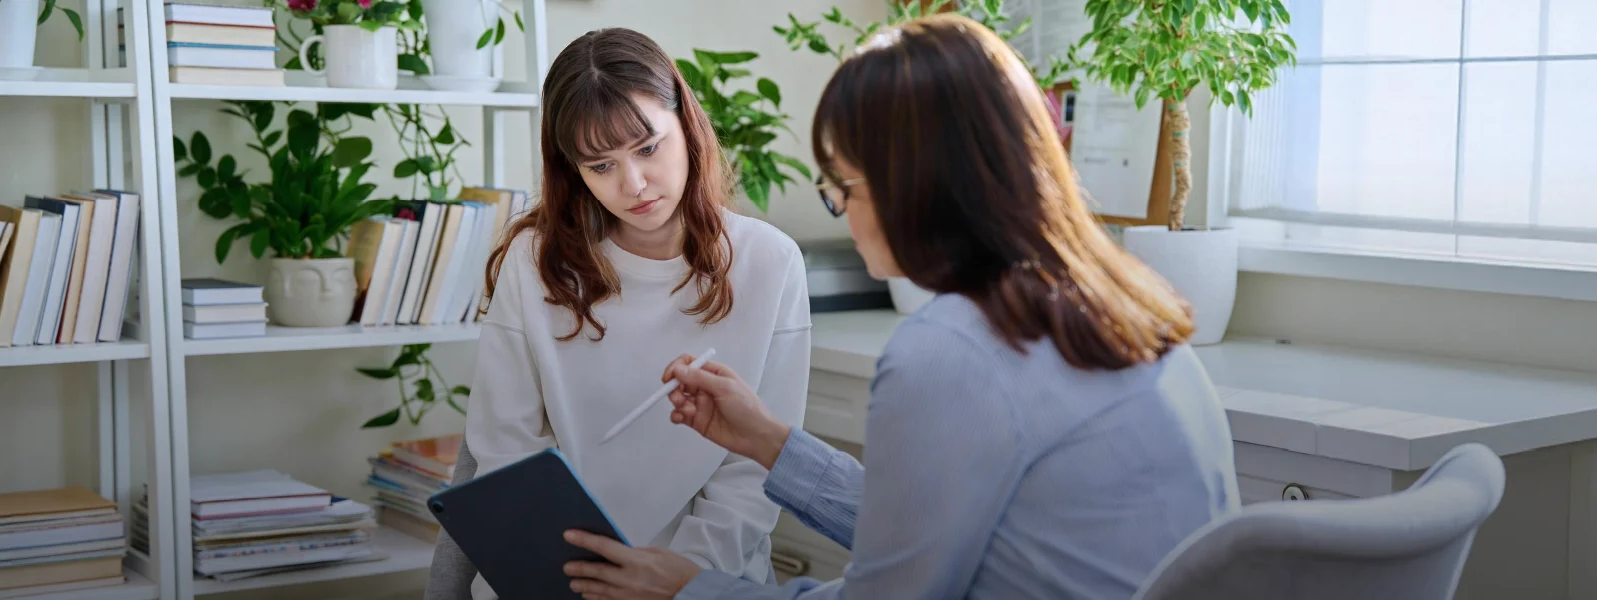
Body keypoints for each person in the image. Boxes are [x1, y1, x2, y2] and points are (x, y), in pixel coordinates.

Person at [558, 14, 1239, 600]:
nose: (844, 216)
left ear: (909, 184)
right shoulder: (1118, 302)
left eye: (841, 189)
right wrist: (769, 443)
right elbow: (927, 523)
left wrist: (687, 588)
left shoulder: (951, 349)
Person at [423, 27, 813, 600]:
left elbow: (754, 473)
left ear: (686, 124)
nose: (633, 185)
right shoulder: (534, 263)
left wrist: (674, 581)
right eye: (600, 166)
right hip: (550, 582)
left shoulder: (769, 263)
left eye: (649, 148)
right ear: (571, 169)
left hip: (704, 584)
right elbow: (504, 452)